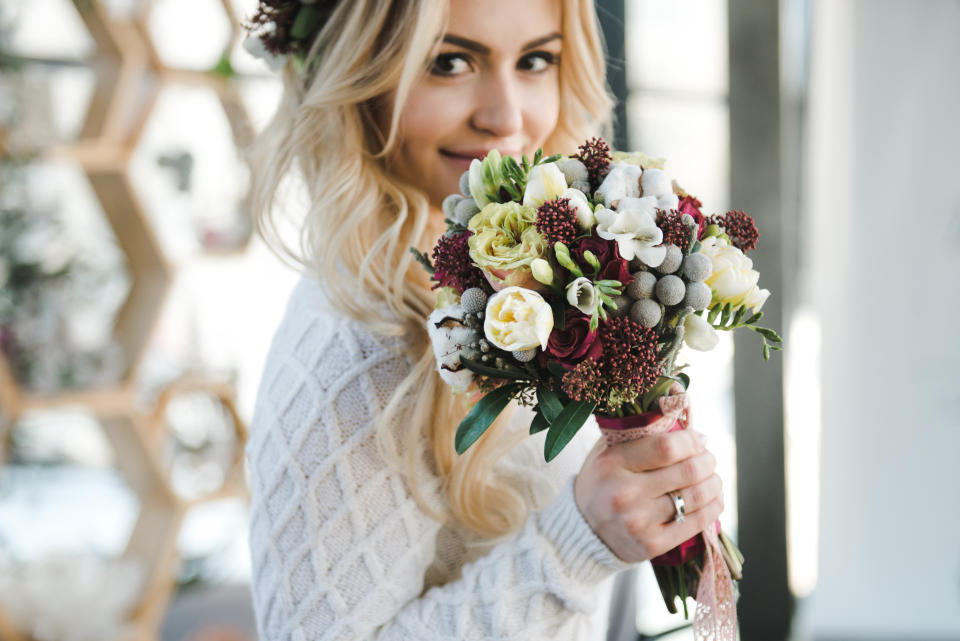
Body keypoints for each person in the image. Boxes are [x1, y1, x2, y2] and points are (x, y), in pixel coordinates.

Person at [243, 0, 725, 639]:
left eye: (535, 60)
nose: (505, 117)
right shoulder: (355, 351)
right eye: (448, 62)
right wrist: (574, 549)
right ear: (355, 77)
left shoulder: (526, 279)